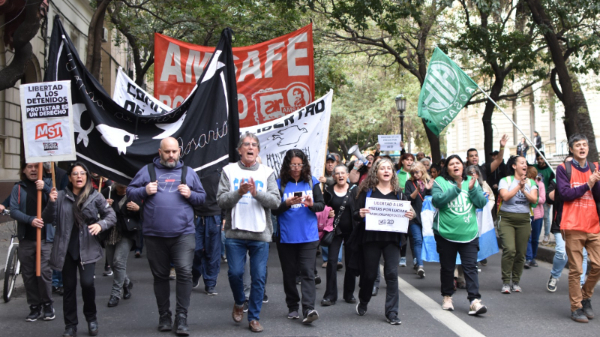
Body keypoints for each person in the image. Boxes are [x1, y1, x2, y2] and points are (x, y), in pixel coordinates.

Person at [127, 137, 206, 335]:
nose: (171, 155)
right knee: (160, 276)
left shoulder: (189, 173)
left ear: (179, 152)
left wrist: (190, 194)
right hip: (154, 235)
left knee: (184, 273)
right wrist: (144, 190)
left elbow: (202, 198)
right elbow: (130, 192)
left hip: (183, 234)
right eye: (167, 152)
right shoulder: (147, 171)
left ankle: (182, 317)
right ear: (159, 152)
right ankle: (164, 315)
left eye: (174, 151)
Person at [42, 162, 116, 337]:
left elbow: (111, 216)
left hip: (88, 249)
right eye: (75, 174)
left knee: (87, 283)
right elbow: (47, 219)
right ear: (69, 177)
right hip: (66, 249)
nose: (79, 177)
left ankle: (91, 319)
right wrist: (51, 203)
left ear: (87, 177)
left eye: (82, 173)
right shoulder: (59, 196)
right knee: (69, 287)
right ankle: (70, 325)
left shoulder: (95, 196)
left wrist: (101, 224)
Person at [217, 132, 280, 333]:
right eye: (246, 144)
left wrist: (255, 192)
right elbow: (221, 200)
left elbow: (275, 202)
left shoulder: (267, 172)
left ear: (258, 150)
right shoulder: (228, 171)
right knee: (235, 273)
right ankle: (238, 301)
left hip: (260, 235)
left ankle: (253, 317)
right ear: (239, 150)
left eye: (254, 144)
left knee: (259, 276)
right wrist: (240, 192)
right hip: (235, 233)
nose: (250, 147)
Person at [351, 158, 414, 325]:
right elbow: (355, 214)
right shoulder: (367, 192)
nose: (386, 171)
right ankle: (364, 301)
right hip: (371, 238)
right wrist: (360, 214)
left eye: (389, 168)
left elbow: (411, 214)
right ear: (376, 172)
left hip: (392, 239)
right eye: (382, 168)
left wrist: (411, 215)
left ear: (393, 173)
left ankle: (392, 313)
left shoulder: (400, 194)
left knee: (392, 275)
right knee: (370, 275)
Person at [273, 149, 324, 324]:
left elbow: (321, 205)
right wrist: (286, 204)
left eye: (299, 165)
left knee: (308, 273)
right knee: (289, 273)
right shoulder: (278, 184)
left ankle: (309, 308)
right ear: (287, 165)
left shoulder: (312, 182)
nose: (296, 168)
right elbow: (273, 209)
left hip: (309, 236)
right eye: (293, 164)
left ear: (304, 165)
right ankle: (293, 306)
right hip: (285, 237)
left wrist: (311, 205)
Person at [431, 155, 488, 316]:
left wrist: (471, 189)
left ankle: (474, 301)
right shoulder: (440, 182)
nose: (455, 166)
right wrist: (457, 188)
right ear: (447, 168)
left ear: (462, 166)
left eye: (458, 163)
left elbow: (481, 203)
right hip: (445, 233)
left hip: (469, 233)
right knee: (448, 268)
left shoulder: (472, 180)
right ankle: (447, 297)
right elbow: (437, 201)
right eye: (451, 164)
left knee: (470, 267)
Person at [556, 134, 600, 323]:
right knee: (576, 270)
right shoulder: (563, 168)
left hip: (593, 224)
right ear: (571, 149)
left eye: (584, 145)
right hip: (572, 225)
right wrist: (587, 184)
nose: (582, 148)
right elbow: (565, 194)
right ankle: (577, 307)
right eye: (578, 145)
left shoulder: (594, 167)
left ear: (588, 148)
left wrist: (596, 182)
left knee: (598, 265)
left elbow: (597, 196)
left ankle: (586, 296)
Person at [9, 162, 55, 321]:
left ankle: (48, 305)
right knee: (28, 275)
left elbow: (57, 204)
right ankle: (34, 307)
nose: (34, 169)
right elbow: (13, 210)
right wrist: (30, 220)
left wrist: (46, 189)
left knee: (43, 272)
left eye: (37, 166)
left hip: (44, 239)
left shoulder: (49, 184)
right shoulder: (18, 188)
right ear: (24, 170)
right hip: (26, 239)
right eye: (29, 166)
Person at [545, 156, 588, 292]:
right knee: (561, 252)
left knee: (583, 254)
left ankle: (580, 283)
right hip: (562, 223)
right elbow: (549, 198)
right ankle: (555, 275)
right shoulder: (556, 180)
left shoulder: (584, 179)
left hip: (581, 222)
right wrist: (561, 186)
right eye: (568, 163)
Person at [497, 156, 539, 294]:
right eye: (522, 163)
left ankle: (515, 281)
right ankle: (505, 281)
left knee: (521, 253)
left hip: (524, 220)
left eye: (526, 163)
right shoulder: (505, 180)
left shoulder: (531, 182)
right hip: (507, 219)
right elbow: (506, 197)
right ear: (514, 166)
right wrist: (518, 187)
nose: (525, 165)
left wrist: (524, 190)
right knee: (509, 249)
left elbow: (534, 200)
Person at [321, 164, 357, 306]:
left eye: (343, 173)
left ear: (348, 175)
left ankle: (349, 294)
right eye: (337, 173)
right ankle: (330, 295)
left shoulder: (355, 191)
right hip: (334, 231)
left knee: (350, 263)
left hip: (351, 232)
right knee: (331, 261)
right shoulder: (328, 191)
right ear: (334, 176)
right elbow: (322, 208)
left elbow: (359, 209)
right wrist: (327, 213)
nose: (340, 176)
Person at [102, 183, 140, 308]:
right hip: (109, 231)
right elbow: (95, 211)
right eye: (120, 184)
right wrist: (103, 206)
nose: (122, 187)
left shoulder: (134, 193)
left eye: (125, 185)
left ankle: (115, 294)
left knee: (119, 261)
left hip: (126, 232)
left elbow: (146, 211)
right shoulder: (106, 192)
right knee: (113, 264)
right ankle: (126, 282)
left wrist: (138, 208)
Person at [192, 166, 226, 296]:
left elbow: (224, 194)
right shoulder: (194, 169)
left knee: (213, 252)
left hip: (214, 215)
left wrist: (224, 217)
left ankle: (210, 283)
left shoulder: (219, 170)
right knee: (196, 250)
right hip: (197, 216)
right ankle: (195, 274)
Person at [404, 162, 432, 278]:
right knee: (417, 240)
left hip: (426, 217)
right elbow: (408, 199)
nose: (415, 175)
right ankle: (420, 266)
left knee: (425, 240)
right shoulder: (409, 183)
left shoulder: (428, 181)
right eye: (413, 173)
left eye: (417, 172)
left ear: (422, 171)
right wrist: (418, 190)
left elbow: (433, 198)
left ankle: (417, 259)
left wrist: (428, 190)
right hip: (414, 217)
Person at [524, 167, 546, 269]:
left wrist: (532, 198)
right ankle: (528, 258)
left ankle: (533, 257)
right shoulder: (524, 184)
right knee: (528, 237)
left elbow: (542, 199)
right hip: (527, 214)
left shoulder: (540, 184)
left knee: (535, 239)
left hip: (537, 215)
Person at [396, 153, 414, 267]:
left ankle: (416, 259)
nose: (409, 162)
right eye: (407, 160)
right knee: (403, 232)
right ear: (402, 161)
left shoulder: (416, 174)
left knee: (414, 234)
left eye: (411, 160)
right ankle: (402, 256)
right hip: (402, 206)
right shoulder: (397, 174)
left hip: (414, 206)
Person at [533, 151, 555, 244]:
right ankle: (536, 235)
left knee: (546, 216)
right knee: (537, 217)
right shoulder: (534, 167)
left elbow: (552, 184)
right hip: (534, 196)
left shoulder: (549, 170)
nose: (539, 161)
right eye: (538, 159)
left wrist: (550, 199)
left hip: (545, 196)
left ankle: (546, 235)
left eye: (541, 158)